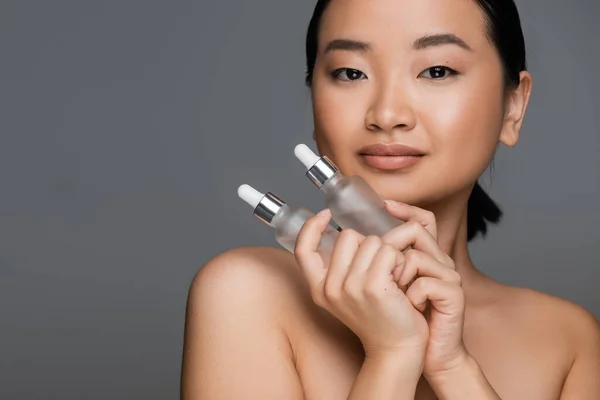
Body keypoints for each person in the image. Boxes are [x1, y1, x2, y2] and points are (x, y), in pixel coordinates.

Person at [180, 0, 600, 398]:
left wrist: (455, 369)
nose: (386, 113)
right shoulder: (247, 293)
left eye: (436, 71)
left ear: (513, 106)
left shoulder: (568, 340)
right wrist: (393, 355)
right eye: (350, 73)